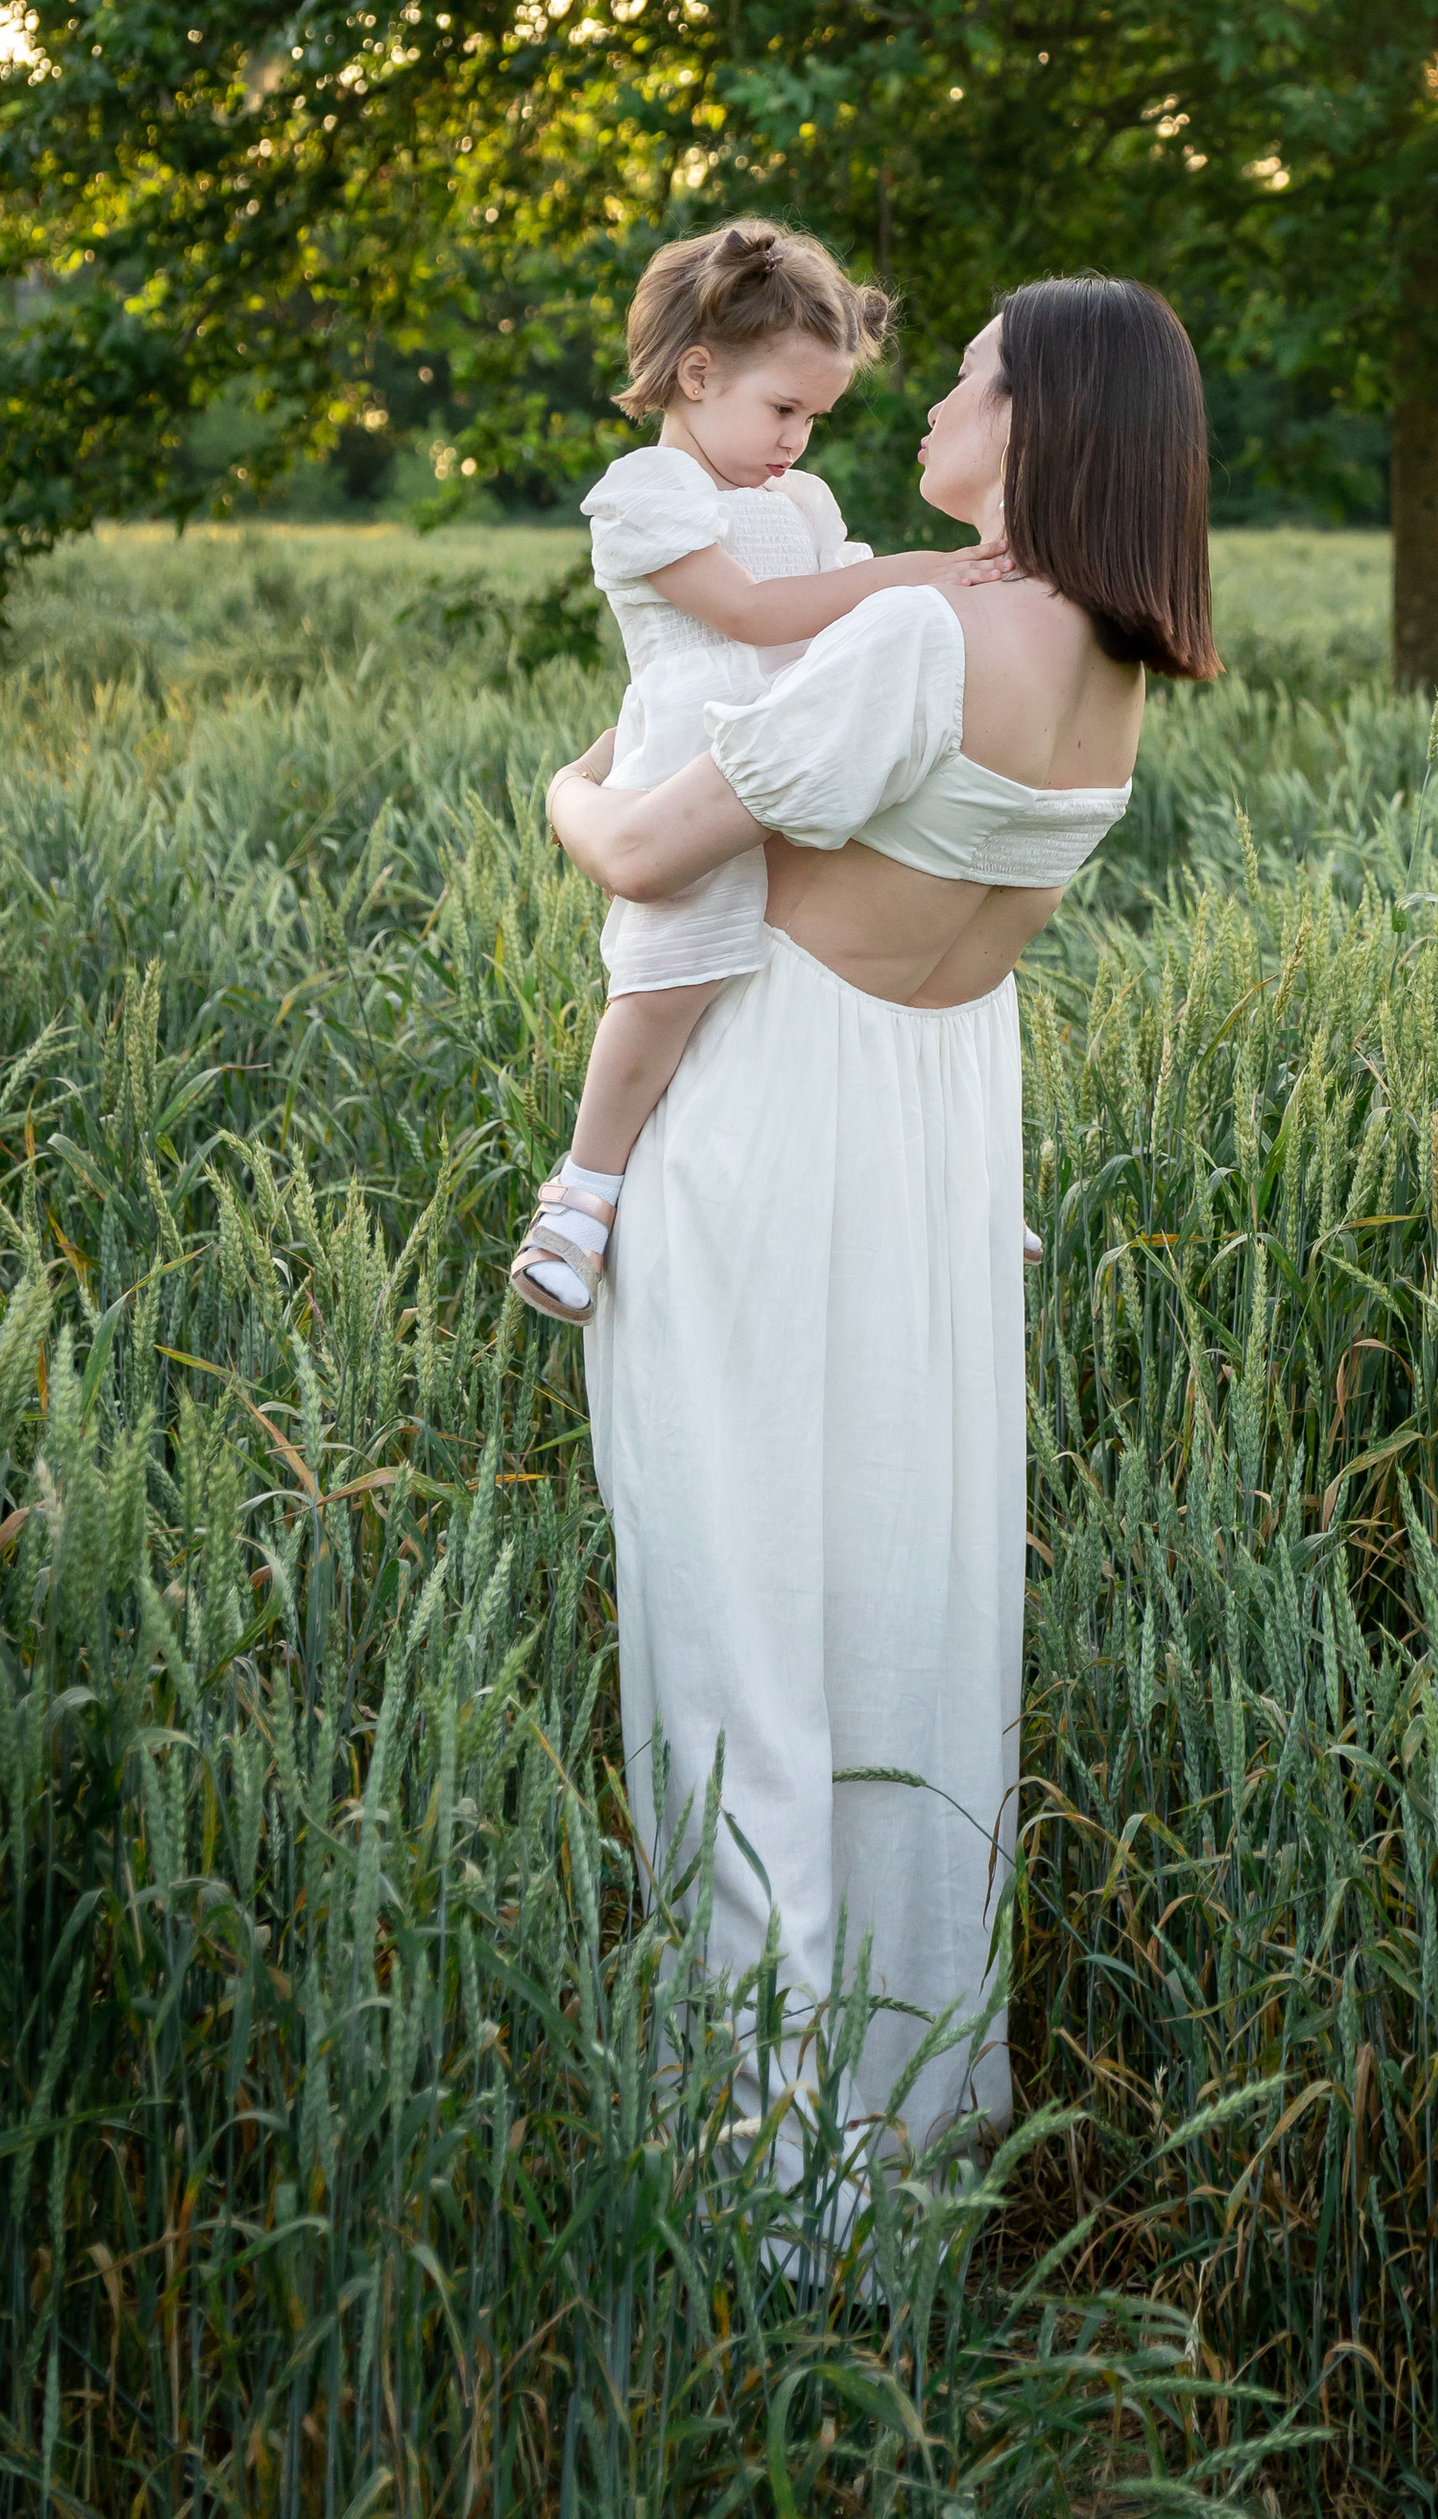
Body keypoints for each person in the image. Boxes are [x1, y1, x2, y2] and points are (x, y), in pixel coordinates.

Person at [543, 276, 1216, 2178]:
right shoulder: (1110, 662)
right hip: (930, 1151)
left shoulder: (924, 634)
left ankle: (766, 2157)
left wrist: (565, 787)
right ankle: (911, 2102)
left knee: (739, 1609)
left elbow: (656, 851)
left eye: (971, 377)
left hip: (774, 1123)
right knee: (902, 1609)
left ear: (1043, 422)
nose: (930, 402)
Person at [515, 217, 998, 1324]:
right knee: (666, 986)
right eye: (783, 410)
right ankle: (582, 1197)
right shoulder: (648, 492)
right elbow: (746, 611)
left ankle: (946, 1179)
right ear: (695, 373)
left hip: (803, 759)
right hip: (694, 764)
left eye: (815, 420)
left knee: (844, 985)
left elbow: (830, 635)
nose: (796, 442)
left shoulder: (806, 503)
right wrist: (920, 576)